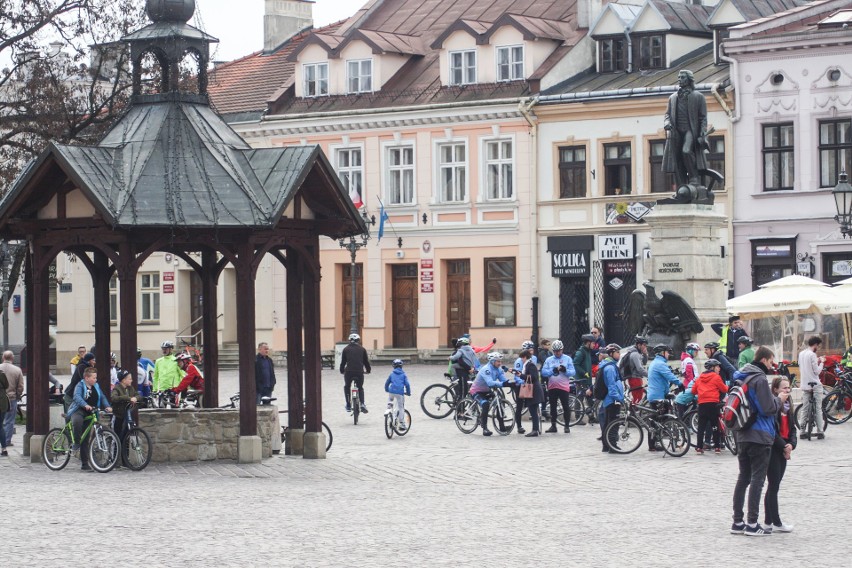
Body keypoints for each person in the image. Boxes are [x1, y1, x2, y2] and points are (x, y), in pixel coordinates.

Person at [731, 346, 786, 536]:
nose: (772, 365)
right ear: (764, 360)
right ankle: (752, 524)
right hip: (759, 435)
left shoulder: (741, 376)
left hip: (741, 433)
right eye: (771, 361)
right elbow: (767, 409)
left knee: (743, 478)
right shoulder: (759, 379)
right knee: (757, 480)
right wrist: (779, 400)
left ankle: (737, 522)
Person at [663, 69, 709, 186]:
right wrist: (666, 123)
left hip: (690, 130)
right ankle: (681, 183)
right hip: (676, 131)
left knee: (686, 151)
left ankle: (694, 177)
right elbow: (667, 114)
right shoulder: (673, 98)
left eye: (682, 77)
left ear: (689, 79)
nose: (679, 79)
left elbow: (703, 118)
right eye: (678, 77)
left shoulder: (698, 97)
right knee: (676, 156)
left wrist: (702, 133)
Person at [764, 377, 796, 533]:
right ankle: (773, 521)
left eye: (788, 388)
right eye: (784, 388)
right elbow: (772, 431)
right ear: (775, 390)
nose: (787, 390)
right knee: (773, 485)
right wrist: (784, 446)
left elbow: (793, 429)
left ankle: (769, 522)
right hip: (773, 449)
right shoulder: (773, 407)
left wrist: (791, 444)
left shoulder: (789, 407)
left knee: (774, 486)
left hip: (784, 448)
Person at [66, 367, 113, 471]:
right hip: (79, 410)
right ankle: (76, 443)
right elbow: (77, 397)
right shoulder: (80, 385)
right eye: (94, 378)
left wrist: (107, 406)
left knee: (86, 438)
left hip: (91, 412)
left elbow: (102, 397)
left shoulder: (96, 386)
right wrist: (85, 405)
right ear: (86, 378)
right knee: (77, 422)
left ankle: (85, 464)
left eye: (96, 377)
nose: (96, 379)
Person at [469, 352, 514, 436]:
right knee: (485, 405)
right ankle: (485, 428)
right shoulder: (486, 369)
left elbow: (503, 380)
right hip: (476, 391)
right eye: (498, 361)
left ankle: (502, 427)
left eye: (500, 361)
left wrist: (511, 384)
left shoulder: (499, 369)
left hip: (487, 390)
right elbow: (490, 383)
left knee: (499, 404)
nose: (500, 363)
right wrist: (503, 384)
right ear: (492, 361)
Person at [646, 344, 681, 451]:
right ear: (662, 353)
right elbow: (669, 375)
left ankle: (654, 443)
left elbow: (663, 380)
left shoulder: (656, 362)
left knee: (655, 420)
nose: (669, 354)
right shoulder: (660, 364)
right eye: (667, 352)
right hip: (657, 396)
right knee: (657, 420)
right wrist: (680, 384)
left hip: (657, 394)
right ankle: (654, 443)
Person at [691, 359, 728, 454]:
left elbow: (693, 391)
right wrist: (729, 387)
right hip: (713, 404)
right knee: (715, 426)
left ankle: (699, 448)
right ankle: (717, 447)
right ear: (712, 368)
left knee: (701, 427)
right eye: (717, 366)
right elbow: (724, 389)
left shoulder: (699, 378)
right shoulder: (716, 377)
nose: (719, 368)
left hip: (702, 405)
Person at [540, 339, 575, 434]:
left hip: (563, 387)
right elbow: (543, 372)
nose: (557, 353)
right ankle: (553, 425)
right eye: (555, 351)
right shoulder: (549, 359)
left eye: (559, 351)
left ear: (562, 349)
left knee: (565, 406)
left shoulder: (567, 359)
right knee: (553, 407)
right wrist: (552, 371)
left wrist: (565, 371)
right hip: (552, 386)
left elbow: (573, 372)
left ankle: (567, 426)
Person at [798, 336, 825, 440]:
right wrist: (822, 362)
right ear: (815, 345)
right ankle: (820, 431)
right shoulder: (812, 354)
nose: (818, 347)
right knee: (818, 408)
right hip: (815, 384)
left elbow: (803, 366)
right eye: (818, 346)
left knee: (805, 408)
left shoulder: (801, 354)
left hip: (805, 384)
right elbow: (817, 371)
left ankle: (802, 431)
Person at [599, 343, 624, 452]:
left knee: (608, 423)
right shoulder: (610, 368)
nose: (619, 355)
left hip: (610, 399)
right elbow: (611, 386)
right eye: (617, 352)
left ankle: (606, 445)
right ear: (611, 354)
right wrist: (618, 397)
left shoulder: (610, 366)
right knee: (613, 423)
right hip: (612, 399)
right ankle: (612, 446)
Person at [340, 333, 371, 413]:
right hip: (359, 372)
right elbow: (366, 362)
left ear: (350, 340)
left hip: (349, 372)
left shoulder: (346, 349)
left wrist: (342, 370)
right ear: (358, 340)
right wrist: (368, 370)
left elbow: (343, 362)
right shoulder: (362, 349)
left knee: (347, 386)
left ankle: (348, 404)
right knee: (360, 388)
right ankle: (362, 404)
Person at [517, 349, 545, 437]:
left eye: (522, 358)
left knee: (533, 411)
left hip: (534, 390)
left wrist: (521, 375)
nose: (521, 360)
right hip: (533, 390)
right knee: (533, 410)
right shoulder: (528, 365)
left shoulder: (530, 365)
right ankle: (535, 429)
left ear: (525, 357)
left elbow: (533, 377)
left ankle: (535, 430)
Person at [0, 351, 24, 448]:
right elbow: (20, 386)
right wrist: (18, 395)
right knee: (9, 421)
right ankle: (7, 441)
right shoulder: (17, 370)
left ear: (3, 358)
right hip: (11, 398)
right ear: (12, 358)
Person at [384, 359, 411, 431]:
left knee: (390, 401)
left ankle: (388, 409)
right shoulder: (403, 374)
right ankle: (401, 423)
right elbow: (407, 385)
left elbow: (387, 383)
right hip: (400, 393)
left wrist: (387, 389)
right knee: (401, 407)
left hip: (391, 392)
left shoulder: (392, 374)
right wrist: (408, 392)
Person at [674, 342, 700, 419]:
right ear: (690, 351)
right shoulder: (688, 360)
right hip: (690, 384)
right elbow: (689, 374)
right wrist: (693, 384)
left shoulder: (686, 359)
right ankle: (688, 419)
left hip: (688, 384)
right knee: (694, 402)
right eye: (696, 351)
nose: (696, 353)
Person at [621, 336, 649, 404]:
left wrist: (645, 354)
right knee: (637, 398)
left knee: (637, 397)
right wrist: (650, 375)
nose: (645, 347)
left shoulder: (637, 353)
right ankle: (632, 412)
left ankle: (633, 411)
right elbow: (640, 369)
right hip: (635, 378)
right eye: (644, 345)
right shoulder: (635, 354)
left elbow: (644, 362)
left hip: (636, 378)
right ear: (639, 345)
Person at [110, 369, 136, 441]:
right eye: (130, 379)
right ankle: (116, 451)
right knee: (117, 437)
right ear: (124, 380)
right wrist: (127, 398)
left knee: (126, 437)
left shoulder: (130, 388)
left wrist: (136, 398)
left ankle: (125, 451)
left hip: (127, 416)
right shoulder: (117, 388)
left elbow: (138, 395)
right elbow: (114, 398)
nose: (132, 380)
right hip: (118, 416)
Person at [449, 336, 477, 401]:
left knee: (453, 366)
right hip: (468, 368)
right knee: (463, 390)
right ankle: (461, 405)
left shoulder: (460, 350)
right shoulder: (472, 350)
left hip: (463, 370)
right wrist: (472, 367)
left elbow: (456, 358)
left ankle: (454, 378)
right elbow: (474, 359)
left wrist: (450, 357)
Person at [0, 370, 8, 456]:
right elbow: (7, 385)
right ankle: (4, 449)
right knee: (0, 426)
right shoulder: (2, 373)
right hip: (2, 403)